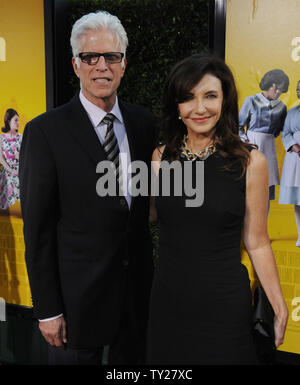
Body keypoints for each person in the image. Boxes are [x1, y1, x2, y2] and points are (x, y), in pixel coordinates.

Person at [19, 11, 157, 365]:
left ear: (124, 64)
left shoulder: (145, 124)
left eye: (111, 56)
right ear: (75, 64)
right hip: (74, 307)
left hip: (135, 302)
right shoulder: (45, 132)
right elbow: (38, 230)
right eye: (89, 57)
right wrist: (47, 309)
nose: (101, 67)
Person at [147, 54, 288, 365]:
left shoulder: (250, 161)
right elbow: (153, 213)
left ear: (225, 100)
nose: (199, 108)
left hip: (224, 306)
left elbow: (258, 241)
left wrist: (278, 304)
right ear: (176, 105)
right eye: (188, 98)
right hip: (168, 303)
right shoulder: (161, 157)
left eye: (210, 96)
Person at [239, 69, 289, 204]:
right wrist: (246, 142)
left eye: (282, 90)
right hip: (251, 144)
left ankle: (262, 223)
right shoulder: (251, 100)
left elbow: (280, 130)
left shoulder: (282, 107)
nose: (278, 92)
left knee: (267, 187)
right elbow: (238, 126)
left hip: (269, 146)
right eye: (277, 88)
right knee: (250, 183)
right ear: (269, 84)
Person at [279, 80, 300, 246]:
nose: (299, 93)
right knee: (297, 199)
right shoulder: (292, 112)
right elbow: (285, 133)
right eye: (298, 90)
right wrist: (294, 146)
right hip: (295, 158)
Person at [0, 108, 22, 210]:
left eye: (18, 120)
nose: (18, 123)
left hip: (20, 172)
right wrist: (11, 170)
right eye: (16, 120)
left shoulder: (21, 137)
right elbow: (1, 158)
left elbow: (27, 156)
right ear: (9, 121)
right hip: (7, 173)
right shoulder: (1, 138)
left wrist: (20, 157)